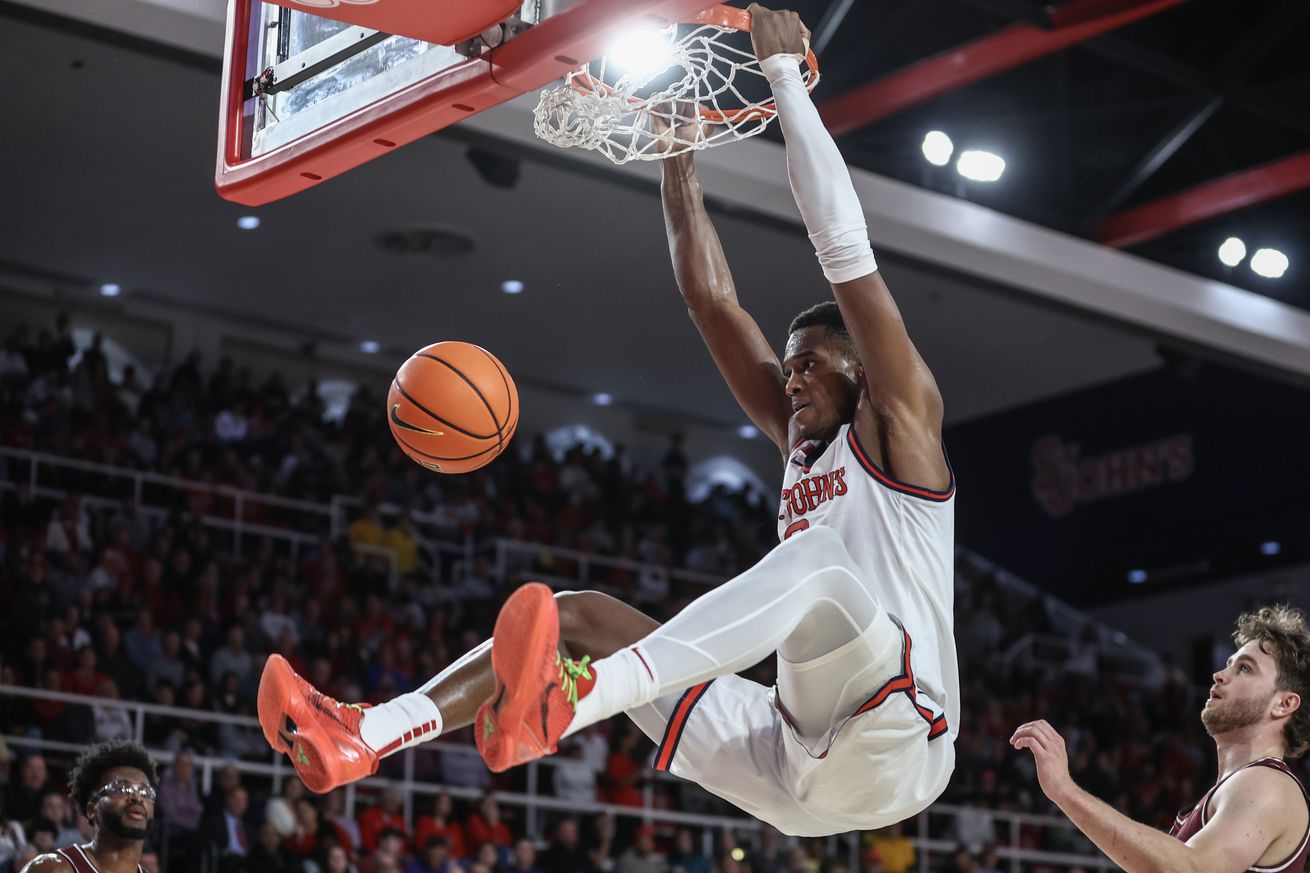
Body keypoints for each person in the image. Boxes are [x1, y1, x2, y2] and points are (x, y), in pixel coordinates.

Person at [256, 3, 957, 838]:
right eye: (789, 362)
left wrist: (780, 79)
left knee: (813, 560)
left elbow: (845, 249)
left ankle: (577, 698)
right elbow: (711, 298)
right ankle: (369, 732)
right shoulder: (799, 445)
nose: (792, 376)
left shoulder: (904, 427)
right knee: (577, 613)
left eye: (810, 361)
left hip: (902, 736)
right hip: (792, 762)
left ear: (860, 370)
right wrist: (675, 145)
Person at [1012, 605, 1310, 873]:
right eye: (1229, 663)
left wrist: (1065, 791)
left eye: (1244, 668)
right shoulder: (1238, 788)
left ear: (1284, 704)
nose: (1220, 674)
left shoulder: (1269, 785)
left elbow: (1192, 870)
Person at [18, 738, 157, 873]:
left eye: (145, 792)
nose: (137, 798)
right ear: (92, 809)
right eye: (122, 789)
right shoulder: (54, 868)